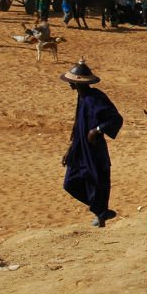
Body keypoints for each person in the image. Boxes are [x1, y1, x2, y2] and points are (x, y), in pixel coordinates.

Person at [60, 59, 123, 227]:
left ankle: (101, 215)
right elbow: (77, 126)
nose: (71, 85)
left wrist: (98, 130)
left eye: (72, 82)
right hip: (80, 148)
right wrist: (70, 149)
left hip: (94, 149)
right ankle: (100, 210)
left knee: (97, 181)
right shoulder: (82, 98)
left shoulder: (95, 97)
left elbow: (115, 119)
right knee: (70, 182)